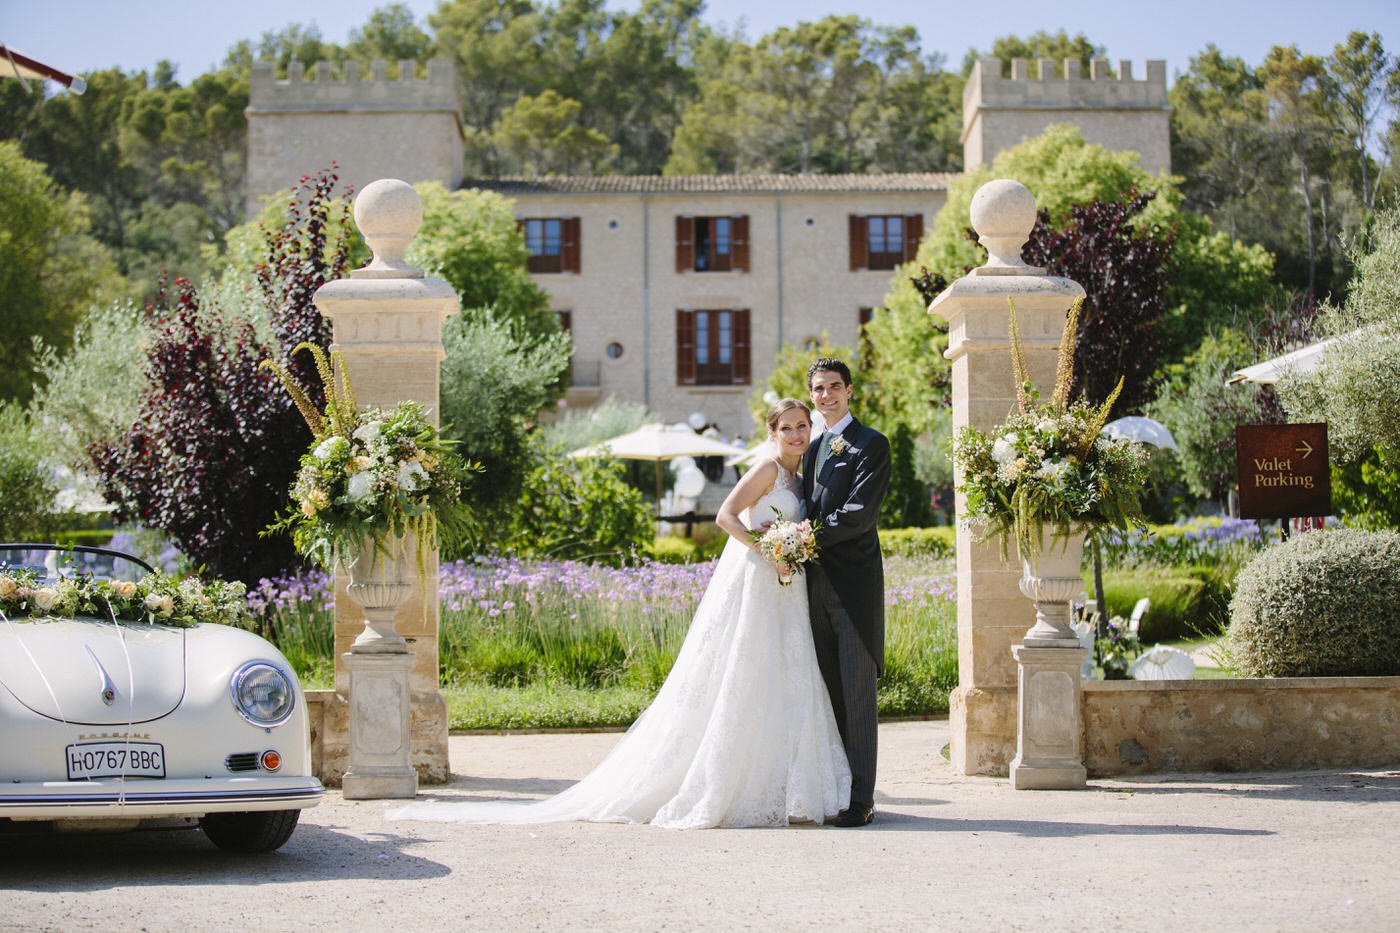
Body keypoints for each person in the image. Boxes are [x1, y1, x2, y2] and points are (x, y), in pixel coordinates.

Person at [388, 399, 850, 829]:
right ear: (772, 432)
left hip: (786, 585)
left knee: (783, 673)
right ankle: (730, 783)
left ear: (810, 429)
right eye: (786, 427)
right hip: (758, 578)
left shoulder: (801, 472)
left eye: (801, 426)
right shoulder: (767, 469)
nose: (794, 433)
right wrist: (766, 549)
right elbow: (726, 517)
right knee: (745, 671)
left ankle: (789, 787)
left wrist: (791, 544)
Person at [802, 358, 891, 827]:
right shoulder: (812, 448)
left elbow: (858, 514)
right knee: (829, 697)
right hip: (812, 588)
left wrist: (804, 537)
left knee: (858, 700)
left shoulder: (871, 445)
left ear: (850, 391)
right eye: (818, 389)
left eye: (834, 386)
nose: (826, 395)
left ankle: (862, 801)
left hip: (853, 591)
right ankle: (836, 791)